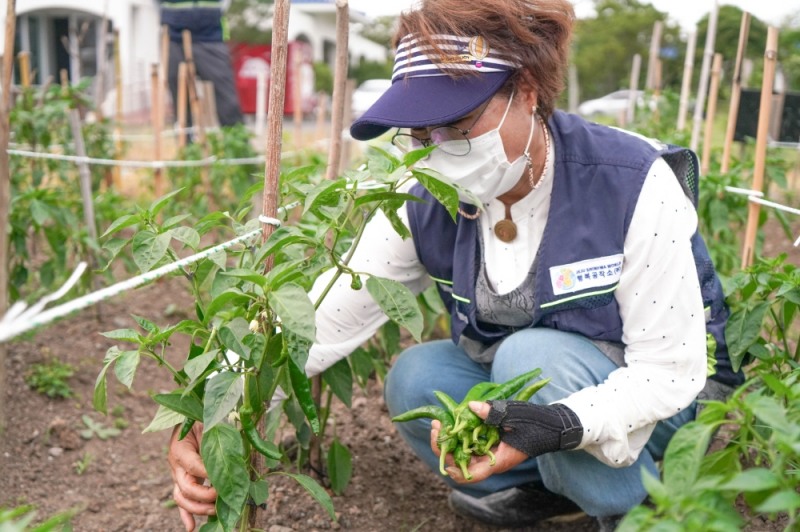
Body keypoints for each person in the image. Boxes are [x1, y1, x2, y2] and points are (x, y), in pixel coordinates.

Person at [168, 0, 744, 530]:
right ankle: (557, 489)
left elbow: (671, 373)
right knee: (418, 378)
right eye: (421, 134)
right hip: (552, 401)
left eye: (457, 127)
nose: (437, 150)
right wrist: (206, 412)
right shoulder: (423, 196)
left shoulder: (629, 180)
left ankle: (633, 499)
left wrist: (561, 425)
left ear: (525, 90)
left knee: (529, 356)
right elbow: (318, 324)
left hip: (668, 404)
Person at [160, 0, 244, 128]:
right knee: (180, 98)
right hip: (174, 37)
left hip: (211, 36)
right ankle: (186, 144)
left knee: (226, 96)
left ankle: (237, 141)